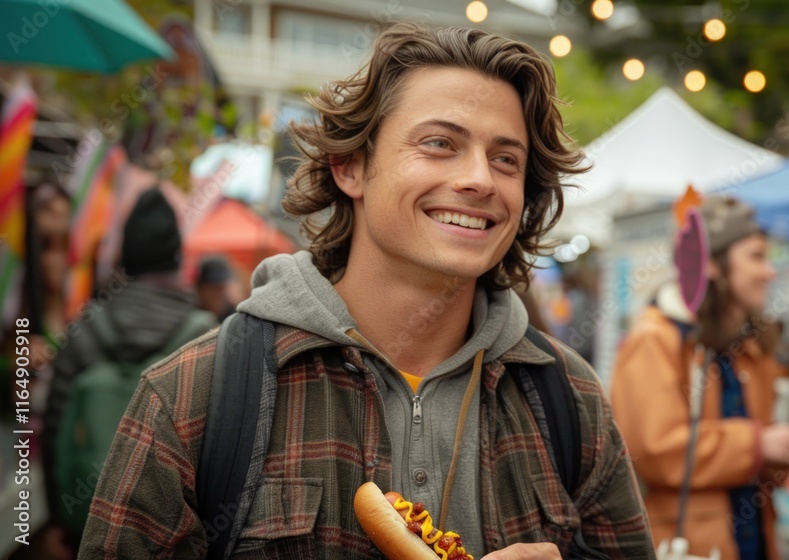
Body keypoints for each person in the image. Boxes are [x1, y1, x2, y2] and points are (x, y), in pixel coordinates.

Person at [79, 23, 654, 559]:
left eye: (506, 159)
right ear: (350, 167)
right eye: (439, 144)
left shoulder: (569, 397)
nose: (480, 178)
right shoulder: (196, 395)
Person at [611, 196, 789, 560]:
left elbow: (761, 461)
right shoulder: (656, 338)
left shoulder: (751, 345)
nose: (769, 271)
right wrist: (758, 445)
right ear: (713, 265)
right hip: (687, 544)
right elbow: (657, 451)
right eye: (756, 256)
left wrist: (781, 453)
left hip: (752, 538)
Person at [41, 187, 217, 554]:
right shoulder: (205, 335)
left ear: (126, 257)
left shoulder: (86, 330)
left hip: (87, 527)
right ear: (176, 256)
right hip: (177, 536)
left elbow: (54, 428)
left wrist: (59, 517)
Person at [195, 255, 236, 321]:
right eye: (213, 287)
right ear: (200, 288)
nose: (219, 293)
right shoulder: (191, 317)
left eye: (222, 287)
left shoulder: (235, 315)